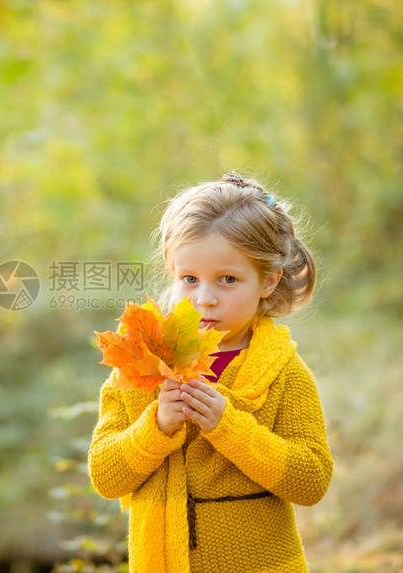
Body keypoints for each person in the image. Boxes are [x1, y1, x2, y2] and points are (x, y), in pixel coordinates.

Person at [88, 172, 333, 572]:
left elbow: (311, 480)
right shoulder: (144, 362)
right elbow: (105, 476)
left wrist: (229, 426)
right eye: (189, 279)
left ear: (268, 281)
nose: (204, 299)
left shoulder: (282, 371)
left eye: (228, 280)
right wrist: (157, 426)